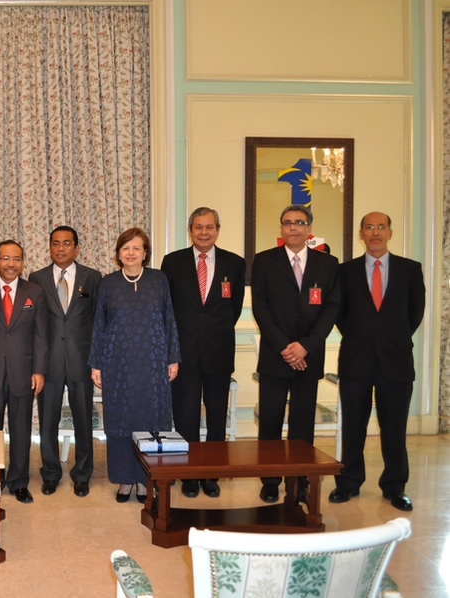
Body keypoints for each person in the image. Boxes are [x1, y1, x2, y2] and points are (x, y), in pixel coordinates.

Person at [328, 212, 425, 512]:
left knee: (394, 426)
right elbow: (339, 313)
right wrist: (363, 337)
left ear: (390, 233)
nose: (375, 232)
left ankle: (395, 486)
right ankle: (348, 483)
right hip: (356, 358)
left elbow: (415, 312)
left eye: (381, 227)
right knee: (353, 426)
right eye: (369, 227)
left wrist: (389, 337)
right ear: (361, 234)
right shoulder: (345, 272)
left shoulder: (410, 270)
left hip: (395, 360)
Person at [251, 204, 339, 504]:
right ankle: (271, 480)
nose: (293, 228)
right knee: (271, 423)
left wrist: (306, 346)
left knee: (303, 425)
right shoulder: (264, 261)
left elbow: (331, 309)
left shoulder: (328, 264)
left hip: (309, 356)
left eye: (299, 222)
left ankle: (300, 481)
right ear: (280, 228)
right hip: (276, 356)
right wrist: (286, 347)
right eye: (287, 223)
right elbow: (261, 309)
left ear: (308, 228)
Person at [88, 227, 180, 503]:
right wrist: (96, 364)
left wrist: (173, 357)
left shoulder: (158, 280)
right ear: (118, 253)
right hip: (118, 364)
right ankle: (124, 480)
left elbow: (169, 320)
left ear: (145, 253)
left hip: (153, 363)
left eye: (136, 248)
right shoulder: (108, 284)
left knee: (151, 421)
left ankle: (145, 480)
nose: (130, 253)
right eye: (125, 248)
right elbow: (99, 326)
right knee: (120, 422)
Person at [161, 207, 245, 499]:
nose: (204, 232)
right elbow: (167, 309)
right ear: (190, 229)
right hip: (183, 353)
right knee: (185, 416)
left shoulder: (235, 263)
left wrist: (212, 332)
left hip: (218, 351)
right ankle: (189, 475)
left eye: (209, 227)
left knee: (217, 416)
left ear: (218, 229)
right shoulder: (173, 262)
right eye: (198, 227)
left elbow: (233, 308)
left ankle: (211, 473)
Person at [29, 226, 101, 498]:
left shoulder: (92, 278)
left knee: (84, 419)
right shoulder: (37, 278)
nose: (61, 248)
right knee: (48, 420)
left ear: (77, 248)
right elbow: (35, 323)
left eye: (67, 243)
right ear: (49, 248)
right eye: (56, 243)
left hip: (81, 360)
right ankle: (50, 473)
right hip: (49, 362)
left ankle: (82, 474)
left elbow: (97, 322)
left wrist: (97, 361)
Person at [0, 240, 48, 504]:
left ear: (23, 262)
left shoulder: (35, 293)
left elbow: (41, 335)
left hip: (24, 372)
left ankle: (19, 482)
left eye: (16, 258)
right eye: (5, 258)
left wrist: (39, 370)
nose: (10, 264)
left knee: (21, 429)